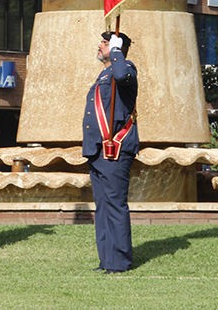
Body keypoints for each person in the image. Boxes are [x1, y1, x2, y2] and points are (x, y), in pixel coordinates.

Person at [83, 32, 139, 274]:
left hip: (114, 148)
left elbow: (122, 75)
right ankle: (106, 259)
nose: (99, 46)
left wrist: (117, 52)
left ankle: (119, 263)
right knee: (103, 207)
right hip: (99, 149)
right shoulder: (104, 74)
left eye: (105, 44)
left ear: (118, 48)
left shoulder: (125, 68)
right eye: (103, 43)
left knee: (115, 205)